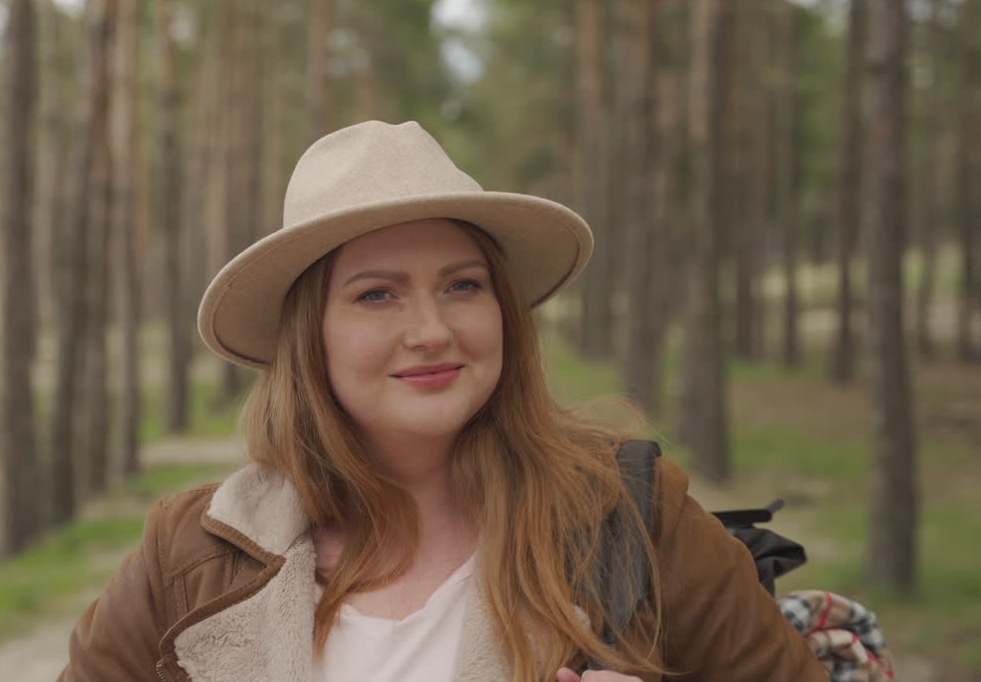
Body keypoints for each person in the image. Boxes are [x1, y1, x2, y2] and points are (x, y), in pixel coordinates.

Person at [59, 121, 827, 682]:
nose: (431, 330)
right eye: (376, 294)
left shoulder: (629, 515)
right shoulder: (191, 553)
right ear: (310, 336)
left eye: (462, 285)